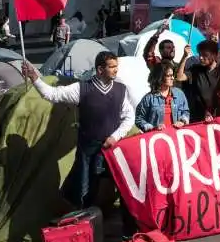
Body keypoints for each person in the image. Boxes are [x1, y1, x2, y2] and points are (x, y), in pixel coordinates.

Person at [21, 53, 135, 209]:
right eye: (112, 67)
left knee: (122, 185)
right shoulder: (82, 89)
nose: (116, 70)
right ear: (100, 70)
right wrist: (34, 78)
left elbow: (129, 117)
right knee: (84, 191)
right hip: (87, 151)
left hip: (112, 149)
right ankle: (83, 225)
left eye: (117, 67)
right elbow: (52, 94)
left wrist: (115, 137)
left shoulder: (121, 89)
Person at [135, 62, 190, 132]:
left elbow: (186, 112)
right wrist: (152, 128)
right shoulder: (148, 98)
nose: (172, 78)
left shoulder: (179, 94)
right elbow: (139, 119)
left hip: (176, 138)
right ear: (160, 77)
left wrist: (182, 121)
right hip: (158, 139)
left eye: (172, 75)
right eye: (169, 76)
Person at [176, 40, 220, 123]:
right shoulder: (196, 69)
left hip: (217, 117)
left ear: (214, 55)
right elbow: (179, 77)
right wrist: (184, 56)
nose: (200, 57)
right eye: (200, 54)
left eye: (204, 55)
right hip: (198, 118)